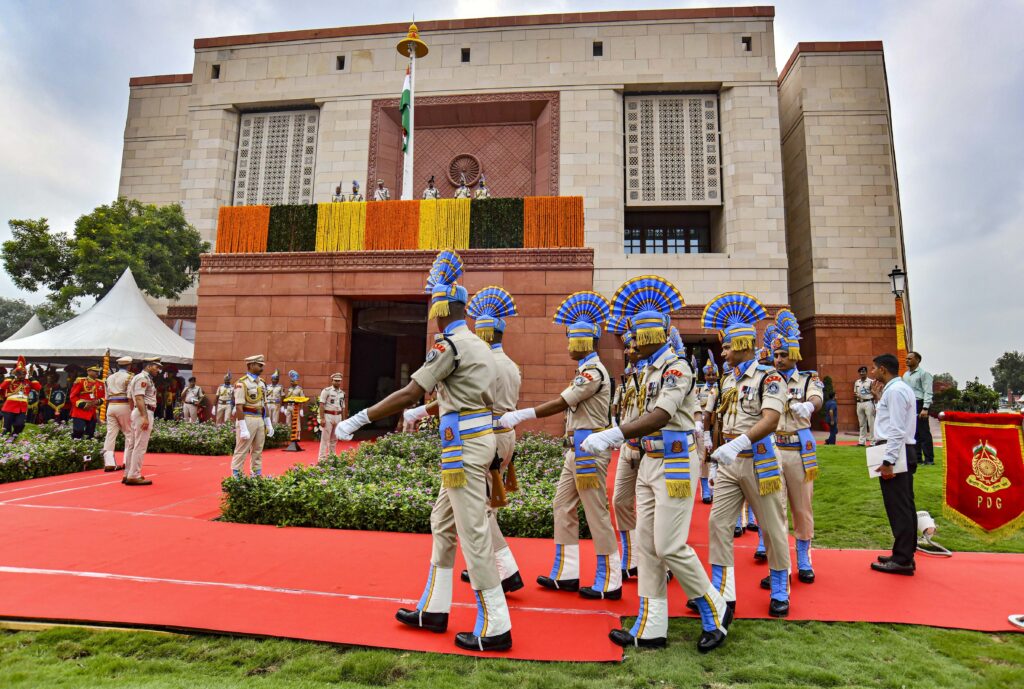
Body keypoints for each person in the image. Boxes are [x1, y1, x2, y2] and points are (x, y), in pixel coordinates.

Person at [334, 250, 513, 652]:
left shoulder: (449, 345)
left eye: (434, 303)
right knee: (443, 522)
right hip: (471, 441)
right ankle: (434, 608)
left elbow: (414, 389)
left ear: (443, 307)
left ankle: (496, 625)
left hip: (463, 447)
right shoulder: (479, 346)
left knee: (473, 534)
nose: (432, 311)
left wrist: (360, 418)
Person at [584, 275, 730, 653]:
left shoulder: (676, 368)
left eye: (637, 335)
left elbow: (662, 414)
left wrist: (613, 435)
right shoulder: (648, 370)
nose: (632, 341)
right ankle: (651, 627)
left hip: (675, 463)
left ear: (653, 335)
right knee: (648, 546)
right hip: (649, 460)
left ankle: (714, 608)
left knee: (668, 544)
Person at [499, 291, 621, 600]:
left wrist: (523, 415)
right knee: (561, 505)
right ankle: (566, 573)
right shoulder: (584, 370)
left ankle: (611, 580)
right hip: (576, 448)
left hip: (589, 448)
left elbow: (563, 402)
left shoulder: (592, 372)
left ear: (582, 341)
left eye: (570, 340)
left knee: (596, 513)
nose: (567, 346)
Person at [702, 292, 791, 618]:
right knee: (718, 524)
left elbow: (771, 419)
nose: (722, 352)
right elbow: (723, 419)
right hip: (728, 462)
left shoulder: (770, 377)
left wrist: (738, 443)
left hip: (760, 458)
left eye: (726, 347)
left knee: (772, 526)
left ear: (741, 345)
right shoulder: (727, 380)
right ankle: (722, 589)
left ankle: (781, 586)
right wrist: (715, 447)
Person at [765, 309, 823, 585]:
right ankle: (781, 564)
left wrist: (809, 405)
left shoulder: (809, 379)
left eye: (782, 355)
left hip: (799, 451)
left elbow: (817, 397)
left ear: (795, 355)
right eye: (775, 356)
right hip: (775, 448)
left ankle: (804, 559)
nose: (777, 360)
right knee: (775, 510)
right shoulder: (769, 381)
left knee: (801, 508)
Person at [871, 353, 918, 575]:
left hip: (895, 451)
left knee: (899, 506)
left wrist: (888, 461)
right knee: (902, 505)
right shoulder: (896, 389)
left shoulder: (897, 391)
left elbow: (897, 429)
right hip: (897, 449)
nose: (872, 373)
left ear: (882, 369)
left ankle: (903, 559)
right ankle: (903, 553)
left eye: (874, 369)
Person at [608, 318, 642, 579]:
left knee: (649, 508)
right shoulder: (630, 380)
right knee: (620, 501)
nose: (629, 352)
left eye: (634, 347)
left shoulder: (656, 375)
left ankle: (656, 563)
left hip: (652, 450)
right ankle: (631, 557)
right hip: (628, 447)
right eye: (628, 347)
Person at [231, 355, 273, 477]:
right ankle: (236, 477)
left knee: (258, 450)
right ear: (250, 365)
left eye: (262, 366)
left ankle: (256, 475)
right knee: (242, 449)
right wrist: (243, 428)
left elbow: (264, 404)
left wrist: (268, 424)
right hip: (247, 418)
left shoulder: (262, 383)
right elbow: (239, 406)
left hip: (259, 419)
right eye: (259, 365)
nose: (262, 368)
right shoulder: (242, 383)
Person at [124, 358, 161, 486]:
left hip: (138, 411)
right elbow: (139, 398)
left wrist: (134, 412)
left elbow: (130, 398)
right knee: (139, 446)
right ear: (149, 366)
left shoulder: (138, 377)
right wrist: (144, 416)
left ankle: (128, 474)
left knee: (133, 445)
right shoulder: (142, 378)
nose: (158, 370)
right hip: (144, 411)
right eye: (156, 367)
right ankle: (134, 475)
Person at [103, 356, 134, 471]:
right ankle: (127, 461)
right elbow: (131, 395)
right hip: (124, 405)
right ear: (129, 365)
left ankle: (109, 463)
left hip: (111, 406)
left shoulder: (109, 378)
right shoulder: (130, 377)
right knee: (129, 433)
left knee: (110, 434)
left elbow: (106, 397)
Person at [903, 351, 934, 465]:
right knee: (913, 432)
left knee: (923, 432)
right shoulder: (905, 375)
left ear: (918, 360)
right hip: (910, 404)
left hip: (920, 403)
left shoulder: (924, 374)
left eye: (910, 358)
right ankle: (917, 458)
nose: (907, 360)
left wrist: (925, 408)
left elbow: (928, 392)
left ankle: (929, 458)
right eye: (906, 358)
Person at [699, 353, 721, 504]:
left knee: (719, 458)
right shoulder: (699, 391)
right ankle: (706, 491)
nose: (711, 377)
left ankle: (717, 489)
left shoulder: (721, 389)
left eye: (713, 374)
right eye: (708, 375)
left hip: (719, 428)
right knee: (704, 459)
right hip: (703, 428)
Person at [0, 357, 41, 436]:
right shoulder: (10, 380)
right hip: (9, 408)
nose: (21, 375)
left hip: (22, 409)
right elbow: (2, 387)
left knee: (20, 425)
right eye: (19, 373)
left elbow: (38, 387)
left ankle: (12, 438)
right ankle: (5, 443)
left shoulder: (28, 382)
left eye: (23, 373)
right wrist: (12, 376)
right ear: (16, 373)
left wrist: (31, 377)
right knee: (6, 429)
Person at [70, 364, 106, 439]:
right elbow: (73, 396)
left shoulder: (101, 383)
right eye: (95, 371)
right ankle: (74, 445)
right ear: (88, 371)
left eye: (98, 371)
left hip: (92, 411)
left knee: (90, 433)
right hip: (80, 411)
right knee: (78, 431)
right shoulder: (80, 381)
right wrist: (83, 404)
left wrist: (99, 401)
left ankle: (87, 448)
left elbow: (104, 396)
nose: (97, 373)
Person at [317, 373, 347, 460]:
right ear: (332, 381)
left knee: (334, 439)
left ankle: (332, 457)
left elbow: (343, 407)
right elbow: (321, 404)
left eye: (339, 381)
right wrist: (322, 418)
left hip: (338, 416)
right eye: (336, 380)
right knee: (325, 438)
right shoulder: (326, 391)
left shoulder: (342, 393)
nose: (337, 382)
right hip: (328, 415)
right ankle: (322, 458)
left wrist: (344, 420)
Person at [854, 365, 877, 445]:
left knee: (871, 422)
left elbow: (874, 393)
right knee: (861, 423)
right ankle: (861, 441)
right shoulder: (857, 382)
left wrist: (874, 404)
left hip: (868, 402)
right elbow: (855, 392)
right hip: (859, 403)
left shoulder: (871, 381)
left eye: (863, 372)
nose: (862, 373)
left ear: (866, 372)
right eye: (860, 372)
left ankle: (873, 441)